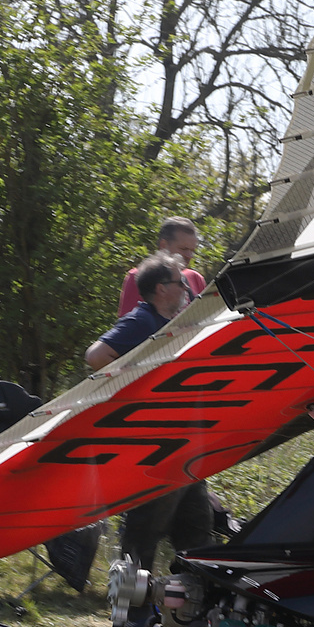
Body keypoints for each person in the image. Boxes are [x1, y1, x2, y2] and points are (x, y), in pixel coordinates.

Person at [88, 255, 213, 570]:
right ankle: (131, 614)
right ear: (161, 288)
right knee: (143, 535)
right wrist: (139, 386)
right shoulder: (141, 320)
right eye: (179, 281)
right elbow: (96, 356)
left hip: (185, 449)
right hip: (155, 449)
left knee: (197, 535)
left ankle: (191, 610)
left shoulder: (170, 323)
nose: (186, 286)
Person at [117, 217, 205, 317]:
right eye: (183, 249)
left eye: (192, 250)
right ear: (164, 245)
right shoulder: (138, 277)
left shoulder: (195, 279)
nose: (189, 255)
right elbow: (130, 328)